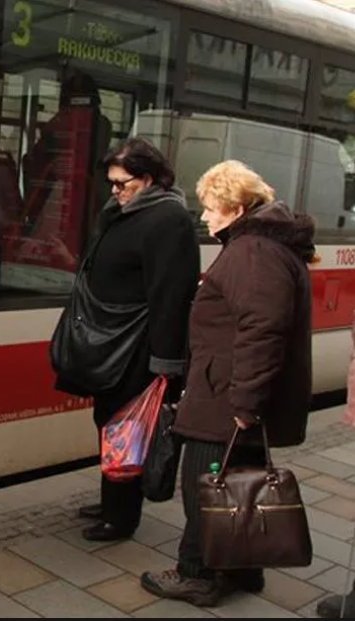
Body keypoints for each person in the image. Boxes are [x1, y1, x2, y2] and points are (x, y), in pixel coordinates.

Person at [140, 160, 316, 607]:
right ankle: (241, 569)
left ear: (236, 207)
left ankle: (197, 573)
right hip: (232, 392)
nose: (204, 216)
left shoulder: (253, 251)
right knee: (238, 484)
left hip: (225, 400)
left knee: (207, 488)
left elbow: (263, 329)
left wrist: (244, 401)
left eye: (211, 206)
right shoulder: (262, 245)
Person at [56, 137, 200, 542]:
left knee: (126, 428)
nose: (116, 191)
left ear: (150, 179)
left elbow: (171, 296)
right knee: (108, 420)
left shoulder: (168, 220)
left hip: (136, 348)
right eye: (112, 183)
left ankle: (121, 517)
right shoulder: (125, 211)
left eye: (124, 184)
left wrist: (166, 364)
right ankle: (111, 499)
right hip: (112, 340)